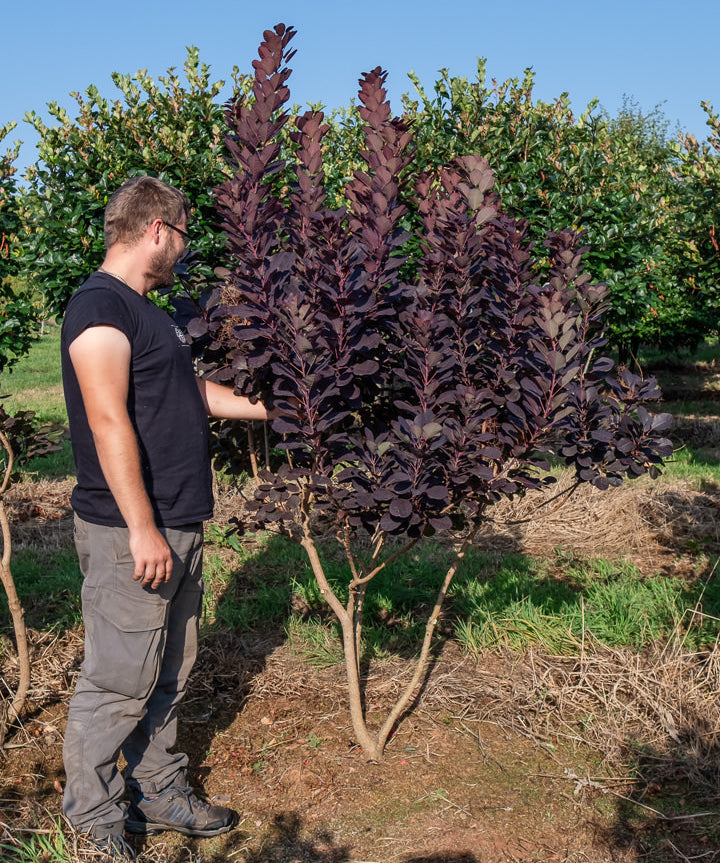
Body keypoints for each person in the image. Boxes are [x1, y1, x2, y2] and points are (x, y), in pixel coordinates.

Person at [60, 176, 270, 861]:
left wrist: (271, 407)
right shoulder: (100, 307)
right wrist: (143, 525)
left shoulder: (154, 314)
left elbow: (189, 393)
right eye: (182, 236)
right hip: (132, 530)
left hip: (179, 518)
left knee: (169, 669)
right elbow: (106, 416)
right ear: (157, 229)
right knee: (119, 678)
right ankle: (92, 817)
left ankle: (156, 791)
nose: (183, 249)